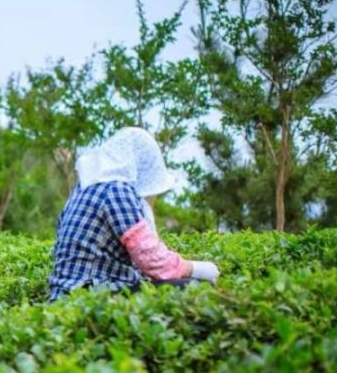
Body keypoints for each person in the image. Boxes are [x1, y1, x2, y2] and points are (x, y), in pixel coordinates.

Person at [48, 127, 220, 301]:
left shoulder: (83, 188)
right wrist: (197, 269)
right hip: (91, 295)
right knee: (196, 287)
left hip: (63, 294)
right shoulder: (116, 190)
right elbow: (154, 262)